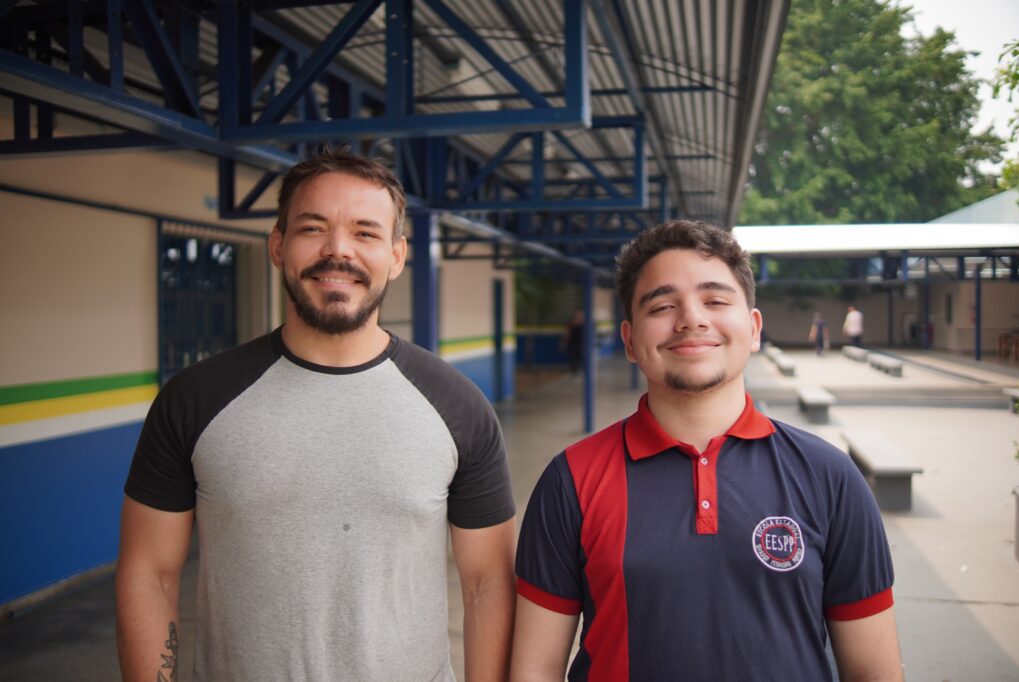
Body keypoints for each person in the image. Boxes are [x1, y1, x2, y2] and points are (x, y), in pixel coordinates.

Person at [116, 147, 517, 681]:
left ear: (397, 255)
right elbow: (150, 574)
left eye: (365, 233)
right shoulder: (195, 398)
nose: (338, 251)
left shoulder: (458, 406)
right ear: (278, 246)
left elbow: (489, 582)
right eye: (313, 228)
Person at [511, 221, 902, 681]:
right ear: (630, 340)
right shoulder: (572, 480)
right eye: (661, 305)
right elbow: (534, 670)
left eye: (715, 300)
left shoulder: (830, 478)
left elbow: (875, 671)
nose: (691, 318)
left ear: (754, 329)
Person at [563, 308, 585, 374]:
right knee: (573, 358)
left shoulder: (584, 323)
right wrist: (564, 342)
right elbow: (567, 333)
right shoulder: (571, 323)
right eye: (577, 314)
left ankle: (579, 370)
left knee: (580, 357)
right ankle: (575, 371)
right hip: (573, 344)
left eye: (580, 314)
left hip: (581, 344)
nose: (579, 316)